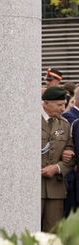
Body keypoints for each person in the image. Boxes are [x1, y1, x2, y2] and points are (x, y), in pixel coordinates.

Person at [40, 86, 74, 231]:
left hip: (55, 188)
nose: (63, 109)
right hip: (32, 187)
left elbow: (72, 155)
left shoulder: (65, 125)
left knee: (52, 236)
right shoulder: (28, 122)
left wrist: (57, 167)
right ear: (46, 103)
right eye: (59, 105)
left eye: (64, 105)